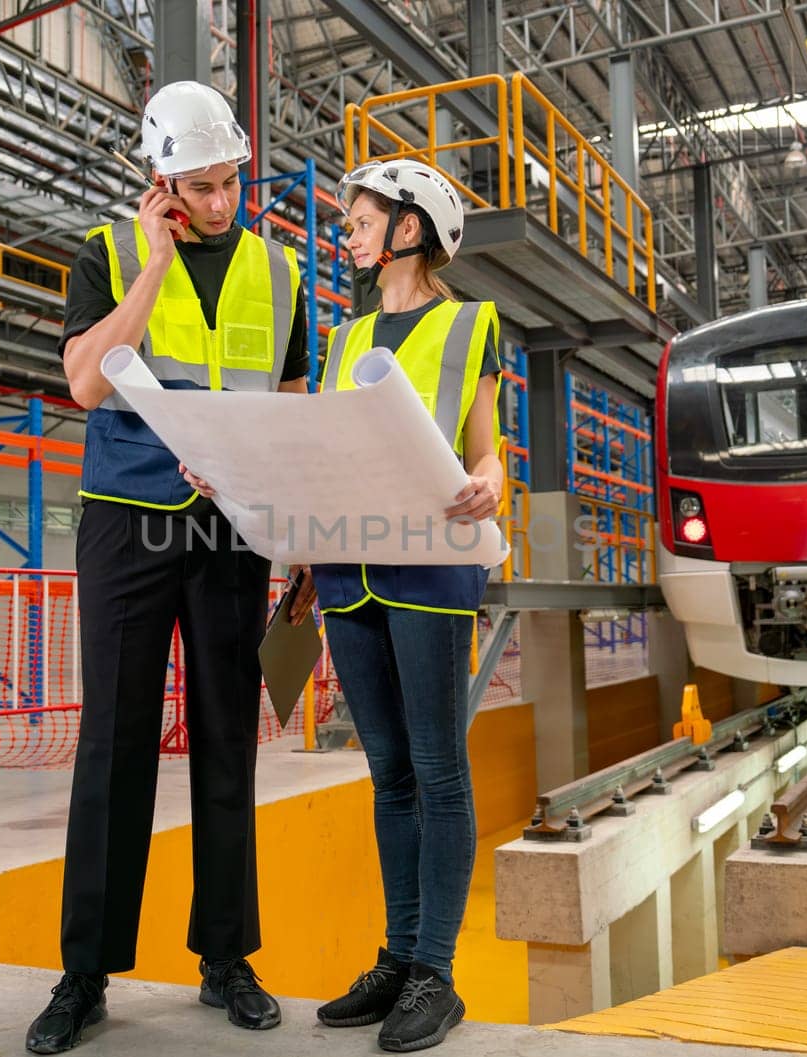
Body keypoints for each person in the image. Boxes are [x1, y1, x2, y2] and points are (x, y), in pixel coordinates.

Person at [25, 80, 314, 1055]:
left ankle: (226, 958)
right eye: (198, 185)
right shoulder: (106, 255)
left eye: (230, 180)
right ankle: (84, 972)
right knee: (112, 739)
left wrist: (257, 473)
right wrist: (150, 265)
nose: (220, 200)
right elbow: (82, 380)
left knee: (228, 739)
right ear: (160, 182)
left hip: (229, 521)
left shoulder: (280, 272)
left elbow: (290, 397)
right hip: (124, 520)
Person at [309, 160, 503, 1053]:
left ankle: (435, 971)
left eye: (363, 217)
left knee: (438, 766)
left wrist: (491, 483)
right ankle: (396, 955)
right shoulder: (345, 338)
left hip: (429, 568)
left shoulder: (471, 324)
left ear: (411, 229)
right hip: (349, 571)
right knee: (386, 768)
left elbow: (486, 450)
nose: (349, 230)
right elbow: (322, 447)